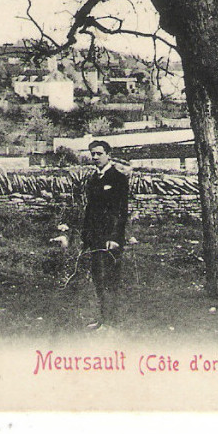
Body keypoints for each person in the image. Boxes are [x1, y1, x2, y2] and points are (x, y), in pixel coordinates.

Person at [81, 140, 129, 329]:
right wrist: (86, 236)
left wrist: (115, 238)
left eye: (99, 153)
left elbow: (120, 211)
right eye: (92, 154)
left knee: (110, 279)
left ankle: (110, 321)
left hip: (110, 238)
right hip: (95, 237)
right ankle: (103, 319)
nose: (95, 158)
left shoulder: (118, 178)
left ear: (109, 154)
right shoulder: (94, 179)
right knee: (98, 279)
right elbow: (90, 210)